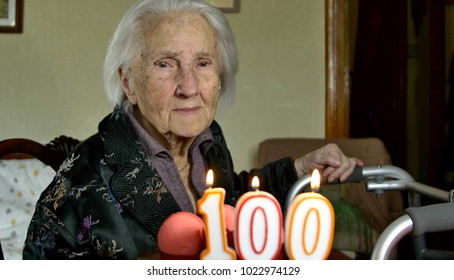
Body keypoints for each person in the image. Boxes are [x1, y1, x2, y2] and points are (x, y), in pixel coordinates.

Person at [23, 0, 363, 259]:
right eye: (165, 64)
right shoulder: (81, 181)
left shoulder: (209, 140)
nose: (188, 86)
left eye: (203, 63)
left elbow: (229, 201)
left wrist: (298, 169)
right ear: (128, 82)